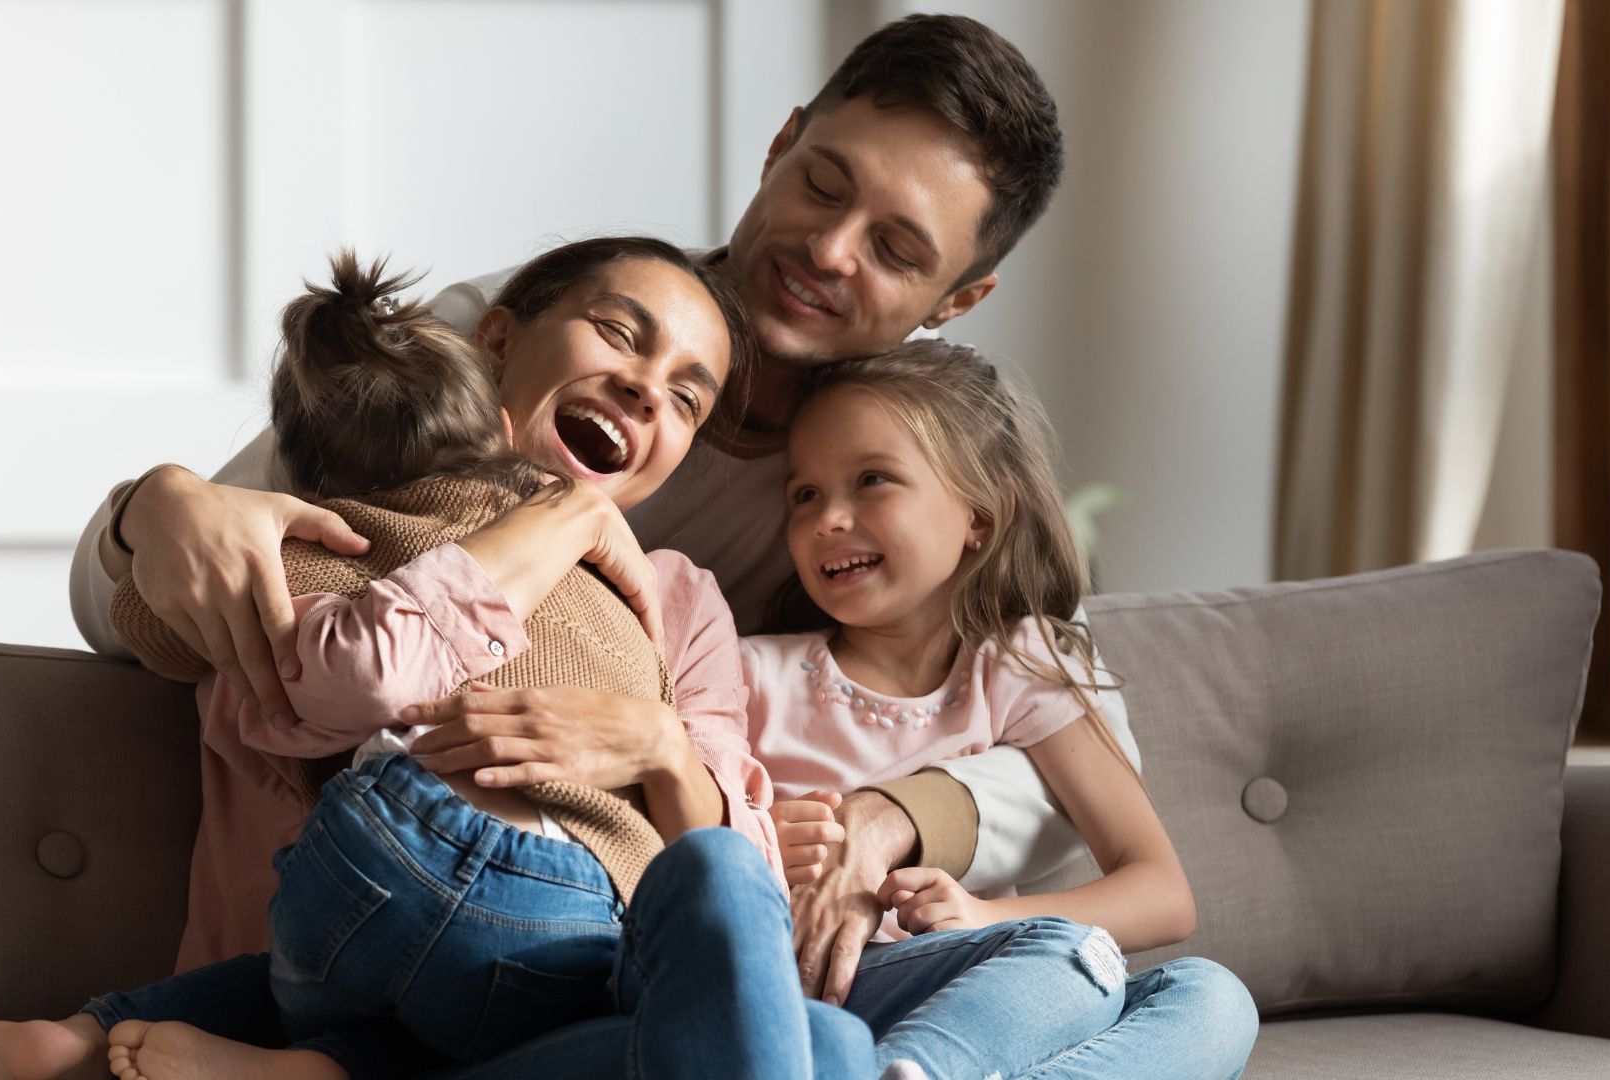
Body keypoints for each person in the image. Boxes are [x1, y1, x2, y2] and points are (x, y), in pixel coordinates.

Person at [66, 12, 1126, 1007]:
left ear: (957, 301)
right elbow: (127, 608)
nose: (830, 249)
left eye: (897, 250)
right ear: (780, 144)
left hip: (606, 905)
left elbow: (1074, 707)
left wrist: (896, 814)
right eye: (823, 184)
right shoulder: (519, 332)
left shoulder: (898, 473)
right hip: (368, 854)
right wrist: (149, 514)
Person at [0, 238, 872, 1080]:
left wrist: (660, 749)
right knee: (806, 1049)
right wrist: (154, 503)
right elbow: (142, 620)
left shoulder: (674, 599)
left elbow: (734, 905)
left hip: (542, 986)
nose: (644, 390)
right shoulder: (329, 517)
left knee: (815, 1026)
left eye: (685, 397)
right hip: (355, 929)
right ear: (497, 339)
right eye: (620, 336)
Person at [744, 342, 1255, 1078]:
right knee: (1065, 958)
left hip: (992, 981)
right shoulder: (757, 673)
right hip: (829, 987)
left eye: (872, 481)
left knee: (1211, 996)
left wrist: (982, 919)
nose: (828, 519)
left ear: (979, 517)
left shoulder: (1023, 663)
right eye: (805, 495)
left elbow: (1162, 892)